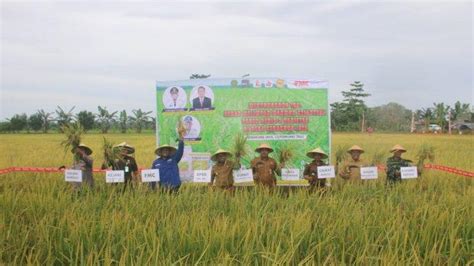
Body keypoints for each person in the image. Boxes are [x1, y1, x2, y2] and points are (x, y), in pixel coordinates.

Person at [150, 127, 185, 193]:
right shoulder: (156, 162)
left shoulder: (174, 159)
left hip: (175, 186)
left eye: (167, 150)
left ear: (169, 152)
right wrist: (152, 188)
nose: (165, 151)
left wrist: (181, 135)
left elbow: (180, 149)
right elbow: (152, 176)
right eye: (163, 150)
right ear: (160, 152)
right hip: (162, 187)